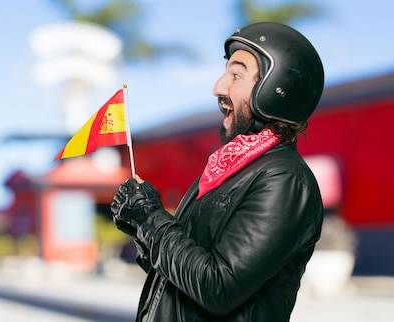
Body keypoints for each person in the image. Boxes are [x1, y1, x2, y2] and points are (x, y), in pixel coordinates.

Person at [111, 22, 325, 322]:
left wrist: (151, 218)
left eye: (236, 75)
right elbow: (182, 279)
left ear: (278, 90)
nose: (218, 87)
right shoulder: (227, 169)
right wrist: (141, 229)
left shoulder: (284, 180)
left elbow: (218, 288)